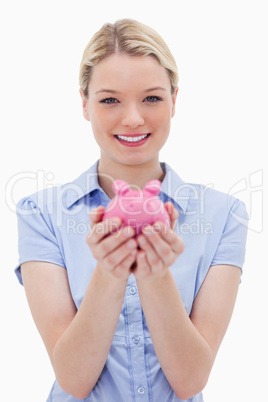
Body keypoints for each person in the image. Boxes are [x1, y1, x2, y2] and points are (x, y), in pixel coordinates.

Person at [15, 18, 248, 402]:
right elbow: (73, 378)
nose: (134, 118)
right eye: (109, 99)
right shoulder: (41, 214)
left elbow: (191, 379)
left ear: (174, 100)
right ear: (84, 104)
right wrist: (111, 271)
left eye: (152, 98)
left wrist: (154, 275)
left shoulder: (225, 215)